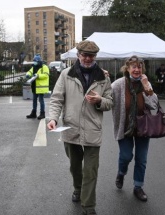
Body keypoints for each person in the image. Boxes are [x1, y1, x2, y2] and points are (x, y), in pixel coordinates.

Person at [47, 40, 113, 215]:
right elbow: (56, 99)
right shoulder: (66, 74)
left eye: (91, 55)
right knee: (75, 166)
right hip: (71, 128)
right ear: (78, 55)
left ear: (95, 57)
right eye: (84, 55)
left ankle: (88, 206)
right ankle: (78, 188)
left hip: (93, 129)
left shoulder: (103, 77)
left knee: (90, 170)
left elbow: (110, 102)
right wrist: (53, 118)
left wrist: (100, 100)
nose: (88, 58)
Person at [111, 55, 158, 202]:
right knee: (126, 156)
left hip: (143, 127)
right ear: (128, 68)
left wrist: (147, 88)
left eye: (139, 67)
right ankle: (121, 172)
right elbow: (107, 99)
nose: (137, 69)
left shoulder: (145, 83)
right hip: (124, 127)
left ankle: (138, 187)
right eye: (134, 67)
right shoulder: (118, 84)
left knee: (141, 159)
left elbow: (154, 105)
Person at [25, 54, 50, 120]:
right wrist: (28, 74)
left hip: (41, 87)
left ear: (39, 61)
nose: (34, 62)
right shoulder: (34, 67)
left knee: (41, 100)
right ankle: (34, 113)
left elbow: (46, 75)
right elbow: (30, 72)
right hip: (34, 86)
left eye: (35, 61)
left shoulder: (44, 67)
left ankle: (42, 113)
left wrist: (38, 75)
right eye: (34, 61)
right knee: (34, 100)